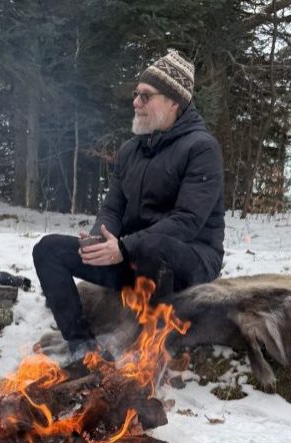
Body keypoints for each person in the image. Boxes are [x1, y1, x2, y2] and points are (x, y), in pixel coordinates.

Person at [32, 50, 225, 358]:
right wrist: (100, 239)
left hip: (189, 259)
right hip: (132, 255)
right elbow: (113, 207)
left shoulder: (202, 149)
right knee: (48, 249)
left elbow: (187, 221)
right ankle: (81, 345)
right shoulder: (129, 150)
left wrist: (124, 247)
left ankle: (147, 353)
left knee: (153, 246)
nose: (136, 102)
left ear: (174, 102)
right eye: (136, 94)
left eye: (146, 96)